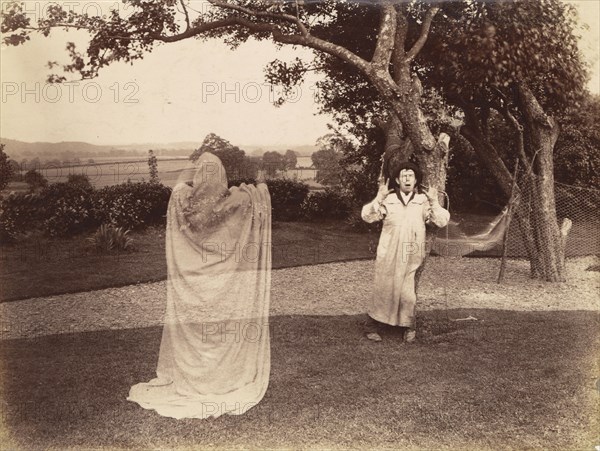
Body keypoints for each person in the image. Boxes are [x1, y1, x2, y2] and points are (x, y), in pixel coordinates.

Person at [128, 152, 272, 419]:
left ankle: (195, 377)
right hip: (225, 285)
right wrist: (260, 183)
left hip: (193, 284)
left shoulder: (181, 201)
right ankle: (221, 379)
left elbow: (179, 187)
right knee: (222, 327)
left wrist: (191, 171)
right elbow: (259, 198)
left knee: (199, 326)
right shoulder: (239, 201)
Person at [361, 161, 449, 343]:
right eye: (404, 176)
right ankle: (371, 326)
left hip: (411, 250)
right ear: (397, 180)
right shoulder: (389, 200)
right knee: (383, 287)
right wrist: (379, 197)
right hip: (389, 249)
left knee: (407, 291)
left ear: (416, 181)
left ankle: (409, 326)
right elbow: (367, 216)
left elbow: (441, 221)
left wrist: (433, 200)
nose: (407, 179)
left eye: (411, 176)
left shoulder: (422, 201)